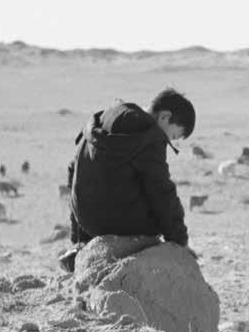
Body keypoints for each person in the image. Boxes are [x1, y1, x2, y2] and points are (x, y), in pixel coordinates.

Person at [58, 88, 196, 272]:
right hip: (115, 222)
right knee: (160, 214)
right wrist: (179, 242)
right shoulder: (150, 135)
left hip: (85, 218)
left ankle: (80, 250)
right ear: (165, 117)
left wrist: (78, 239)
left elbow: (74, 169)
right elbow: (161, 191)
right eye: (172, 136)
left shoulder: (103, 118)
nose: (168, 141)